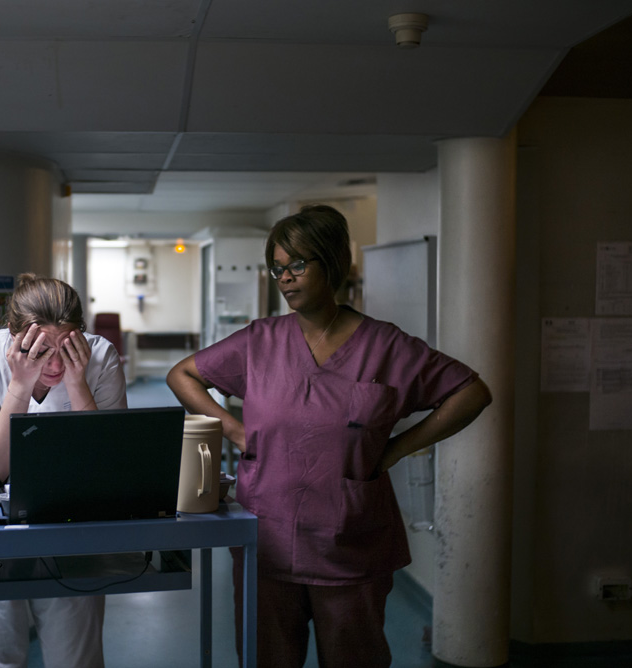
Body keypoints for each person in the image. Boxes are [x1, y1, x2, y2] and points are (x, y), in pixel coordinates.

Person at [166, 205, 492, 668]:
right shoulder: (260, 341)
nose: (285, 278)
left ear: (333, 263)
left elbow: (471, 392)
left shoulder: (387, 347)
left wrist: (398, 449)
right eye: (277, 268)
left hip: (350, 543)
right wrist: (236, 430)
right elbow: (182, 375)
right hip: (268, 538)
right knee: (267, 657)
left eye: (298, 264)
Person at [0, 273, 127, 668]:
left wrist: (78, 387)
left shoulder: (100, 356)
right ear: (13, 336)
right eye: (41, 351)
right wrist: (19, 387)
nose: (56, 364)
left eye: (66, 347)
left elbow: (107, 469)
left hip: (71, 528)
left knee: (75, 660)